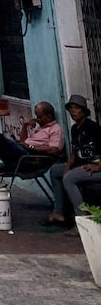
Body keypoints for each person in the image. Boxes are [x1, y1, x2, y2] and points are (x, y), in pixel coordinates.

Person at [45, 94, 101, 226]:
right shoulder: (75, 129)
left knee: (69, 178)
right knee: (55, 171)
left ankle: (83, 220)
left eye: (77, 108)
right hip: (81, 164)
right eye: (71, 108)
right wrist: (68, 165)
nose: (73, 111)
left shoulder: (94, 128)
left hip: (95, 167)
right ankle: (59, 211)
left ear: (83, 111)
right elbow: (74, 151)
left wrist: (98, 167)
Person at [0, 101, 64, 172]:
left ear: (48, 117)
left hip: (30, 158)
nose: (36, 119)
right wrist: (25, 125)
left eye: (39, 117)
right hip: (23, 151)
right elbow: (23, 141)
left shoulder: (55, 129)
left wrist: (31, 147)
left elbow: (55, 150)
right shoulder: (39, 128)